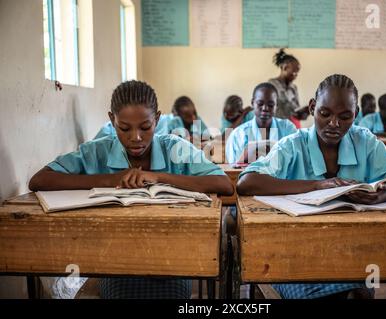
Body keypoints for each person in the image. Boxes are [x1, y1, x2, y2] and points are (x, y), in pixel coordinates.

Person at [29, 80, 234, 298]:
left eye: (145, 127)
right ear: (111, 120)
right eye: (124, 128)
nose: (135, 137)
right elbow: (39, 180)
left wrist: (158, 177)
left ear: (157, 119)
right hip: (116, 262)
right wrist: (109, 180)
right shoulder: (97, 151)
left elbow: (223, 184)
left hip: (173, 259)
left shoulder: (175, 147)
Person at [237, 74, 386, 299]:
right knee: (343, 290)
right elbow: (247, 182)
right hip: (294, 253)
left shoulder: (365, 142)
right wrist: (317, 185)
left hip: (351, 253)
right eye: (325, 114)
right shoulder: (294, 145)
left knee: (361, 285)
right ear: (312, 107)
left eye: (345, 117)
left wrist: (381, 197)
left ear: (355, 115)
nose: (334, 124)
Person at [225, 82, 297, 164]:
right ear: (252, 103)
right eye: (260, 104)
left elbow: (296, 162)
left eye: (270, 105)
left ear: (276, 106)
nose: (265, 108)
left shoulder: (288, 129)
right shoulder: (238, 134)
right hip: (249, 176)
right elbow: (233, 171)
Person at [269, 49, 309, 128]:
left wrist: (303, 113)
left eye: (297, 72)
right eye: (294, 71)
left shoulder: (293, 88)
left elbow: (296, 109)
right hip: (276, 126)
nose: (296, 74)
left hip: (293, 125)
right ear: (284, 67)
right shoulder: (271, 85)